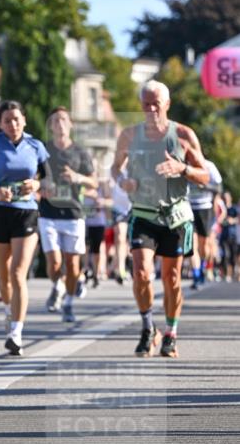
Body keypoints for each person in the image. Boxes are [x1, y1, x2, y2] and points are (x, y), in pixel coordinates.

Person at [111, 79, 209, 358]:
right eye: (146, 104)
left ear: (167, 104)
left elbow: (205, 176)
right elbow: (115, 169)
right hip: (143, 214)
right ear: (141, 106)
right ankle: (147, 328)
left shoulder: (183, 135)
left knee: (172, 278)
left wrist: (183, 168)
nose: (152, 108)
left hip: (175, 217)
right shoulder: (129, 136)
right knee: (141, 273)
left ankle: (171, 332)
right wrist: (123, 181)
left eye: (157, 103)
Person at [0, 100, 48, 356]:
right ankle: (8, 309)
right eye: (6, 121)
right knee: (3, 278)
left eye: (16, 119)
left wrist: (35, 186)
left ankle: (16, 332)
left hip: (26, 212)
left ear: (24, 120)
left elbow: (48, 178)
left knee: (18, 273)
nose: (12, 124)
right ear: (0, 124)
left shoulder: (35, 145)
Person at [38, 108, 96, 323]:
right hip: (48, 212)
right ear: (51, 126)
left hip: (73, 213)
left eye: (63, 119)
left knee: (72, 265)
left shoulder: (80, 152)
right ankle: (57, 285)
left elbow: (94, 182)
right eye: (55, 120)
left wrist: (77, 177)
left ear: (70, 124)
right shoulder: (43, 150)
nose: (59, 123)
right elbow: (33, 175)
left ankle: (69, 303)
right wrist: (41, 183)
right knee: (53, 262)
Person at [188, 158, 222, 289]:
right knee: (192, 243)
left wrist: (204, 185)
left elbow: (218, 187)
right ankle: (196, 275)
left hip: (205, 208)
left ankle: (203, 266)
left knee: (204, 246)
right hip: (189, 208)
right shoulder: (185, 165)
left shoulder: (209, 165)